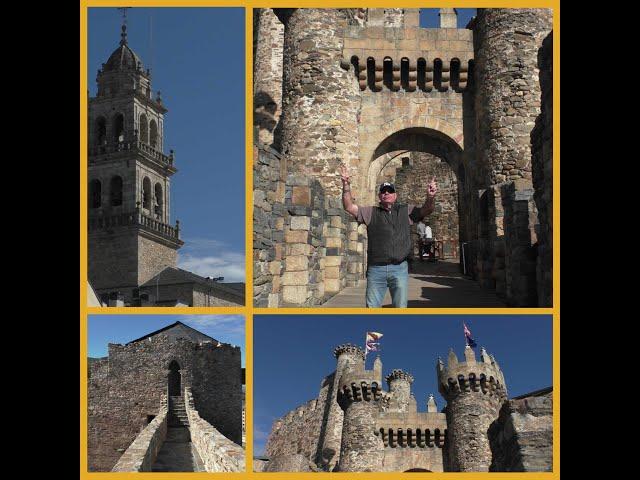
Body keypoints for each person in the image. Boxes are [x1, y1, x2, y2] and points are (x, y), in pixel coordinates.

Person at [340, 165, 437, 307]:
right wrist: (346, 185)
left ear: (395, 195)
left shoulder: (406, 211)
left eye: (390, 191)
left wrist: (430, 197)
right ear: (379, 196)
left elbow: (426, 210)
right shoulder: (371, 212)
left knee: (400, 309)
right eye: (383, 191)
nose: (386, 193)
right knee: (372, 309)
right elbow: (349, 206)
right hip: (376, 269)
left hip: (399, 268)